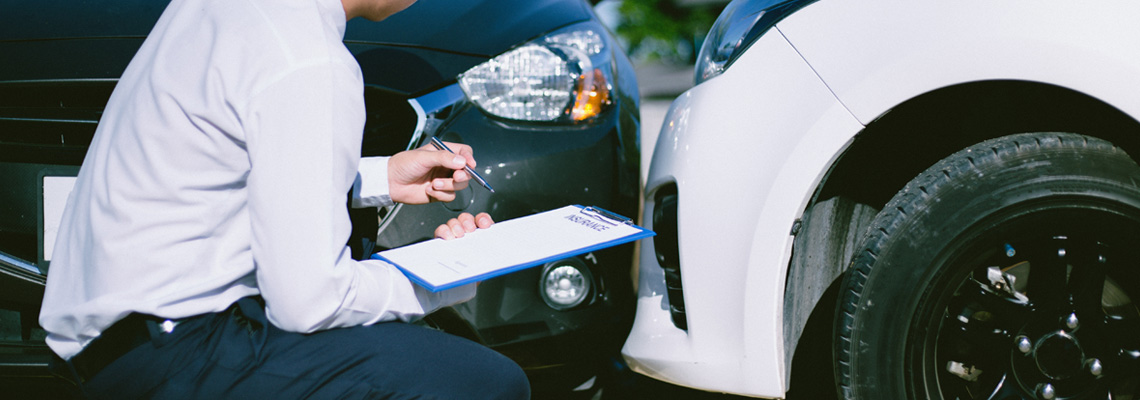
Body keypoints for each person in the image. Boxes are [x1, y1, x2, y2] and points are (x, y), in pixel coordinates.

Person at [38, 0, 530, 398]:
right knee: (486, 382)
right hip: (177, 353)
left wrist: (383, 175)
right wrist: (442, 275)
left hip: (109, 343)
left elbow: (232, 161)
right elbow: (310, 302)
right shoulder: (309, 58)